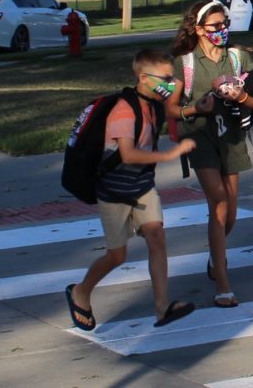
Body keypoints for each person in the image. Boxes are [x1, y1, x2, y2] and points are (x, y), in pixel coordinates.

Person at [66, 48, 198, 331]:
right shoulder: (124, 111)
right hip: (114, 191)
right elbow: (128, 155)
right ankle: (81, 291)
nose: (169, 83)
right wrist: (168, 156)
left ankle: (162, 308)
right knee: (117, 256)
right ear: (143, 78)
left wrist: (174, 84)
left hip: (141, 186)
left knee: (157, 237)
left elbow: (173, 95)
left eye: (171, 77)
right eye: (163, 78)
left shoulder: (153, 101)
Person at [165, 0, 253, 309]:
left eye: (225, 24)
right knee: (218, 202)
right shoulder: (185, 63)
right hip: (199, 135)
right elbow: (171, 107)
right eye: (215, 26)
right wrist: (196, 107)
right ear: (198, 29)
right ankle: (223, 284)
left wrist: (243, 96)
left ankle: (214, 253)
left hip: (231, 136)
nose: (222, 30)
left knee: (230, 212)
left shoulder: (238, 59)